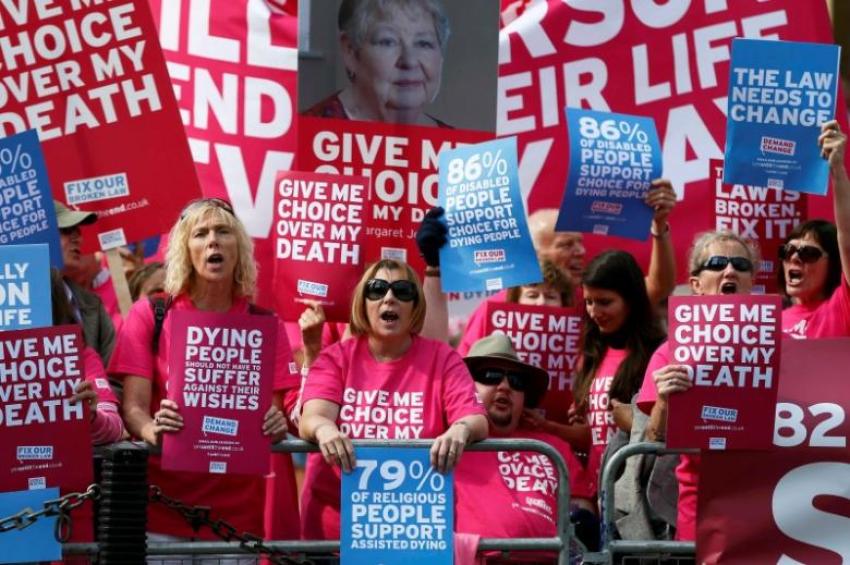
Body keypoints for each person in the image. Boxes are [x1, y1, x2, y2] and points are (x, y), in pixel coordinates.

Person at [109, 198, 300, 547]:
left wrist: (274, 422)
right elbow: (133, 409)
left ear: (239, 247)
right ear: (185, 248)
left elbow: (273, 413)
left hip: (236, 516)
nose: (213, 240)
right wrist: (152, 430)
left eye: (223, 231)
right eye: (201, 233)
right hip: (161, 509)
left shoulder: (265, 325)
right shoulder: (149, 314)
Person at [299, 258, 488, 540]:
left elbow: (475, 419)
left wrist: (460, 429)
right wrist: (324, 428)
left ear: (416, 306)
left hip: (415, 532)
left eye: (402, 291)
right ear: (363, 303)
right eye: (376, 290)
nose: (389, 298)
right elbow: (312, 417)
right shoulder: (336, 357)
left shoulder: (442, 357)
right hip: (337, 534)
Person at [416, 180, 678, 354]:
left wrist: (659, 226)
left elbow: (658, 287)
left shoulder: (588, 301)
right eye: (566, 245)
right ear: (535, 253)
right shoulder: (496, 309)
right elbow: (460, 369)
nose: (581, 252)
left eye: (580, 243)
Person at [636, 230, 760, 541]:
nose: (730, 271)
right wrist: (664, 400)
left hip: (766, 500)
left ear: (752, 282)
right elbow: (654, 440)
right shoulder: (670, 351)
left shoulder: (782, 344)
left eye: (740, 265)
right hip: (701, 505)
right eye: (717, 263)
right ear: (695, 285)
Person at [454, 334, 597, 561]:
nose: (504, 386)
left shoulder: (554, 446)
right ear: (465, 386)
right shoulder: (451, 441)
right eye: (490, 376)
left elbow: (583, 511)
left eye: (516, 381)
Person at [304, 0, 451, 126]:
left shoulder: (459, 153)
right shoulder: (302, 138)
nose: (409, 61)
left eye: (423, 43)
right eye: (388, 42)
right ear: (350, 51)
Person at [779, 121, 850, 338]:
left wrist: (837, 170)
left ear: (835, 263)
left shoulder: (842, 308)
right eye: (787, 251)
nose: (795, 258)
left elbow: (847, 236)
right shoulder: (766, 322)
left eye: (808, 253)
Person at [55, 200, 116, 365]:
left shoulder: (92, 304)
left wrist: (98, 390)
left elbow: (114, 377)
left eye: (78, 231)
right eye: (67, 230)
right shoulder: (10, 302)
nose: (78, 239)